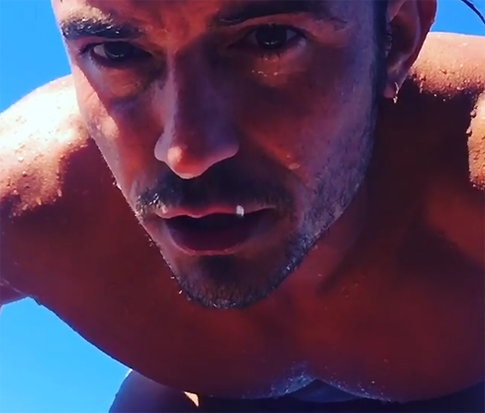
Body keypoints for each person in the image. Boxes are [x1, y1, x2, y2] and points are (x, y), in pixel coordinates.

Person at [0, 0, 484, 410]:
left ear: (396, 39)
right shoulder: (34, 197)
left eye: (270, 39)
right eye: (116, 52)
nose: (186, 153)